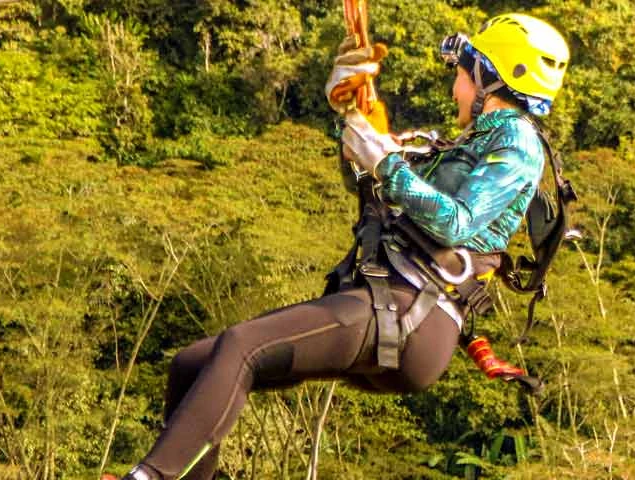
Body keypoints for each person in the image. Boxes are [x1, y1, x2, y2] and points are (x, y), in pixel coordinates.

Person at [112, 14, 570, 480]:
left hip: (414, 312)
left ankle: (150, 477)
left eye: (461, 74)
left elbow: (456, 222)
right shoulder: (468, 144)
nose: (455, 88)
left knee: (241, 346)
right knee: (192, 364)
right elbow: (376, 190)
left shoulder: (518, 141)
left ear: (488, 78)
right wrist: (353, 122)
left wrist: (386, 163)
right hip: (389, 302)